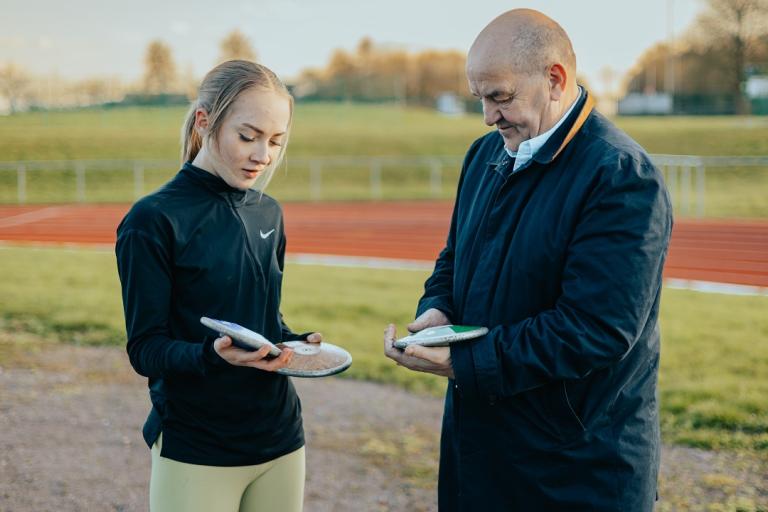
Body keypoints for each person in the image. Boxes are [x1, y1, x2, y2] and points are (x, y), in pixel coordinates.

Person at [384, 9, 672, 511]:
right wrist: (437, 310)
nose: (488, 116)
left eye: (500, 97)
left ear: (555, 79)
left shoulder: (621, 176)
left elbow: (594, 329)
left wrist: (464, 361)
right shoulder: (483, 155)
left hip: (575, 471)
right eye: (481, 99)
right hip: (480, 454)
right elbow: (454, 259)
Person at [116, 60, 321, 512]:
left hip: (281, 438)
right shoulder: (153, 220)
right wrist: (212, 355)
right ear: (205, 122)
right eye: (248, 136)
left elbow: (264, 319)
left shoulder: (270, 213)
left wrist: (294, 342)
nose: (262, 155)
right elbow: (146, 349)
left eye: (275, 141)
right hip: (198, 445)